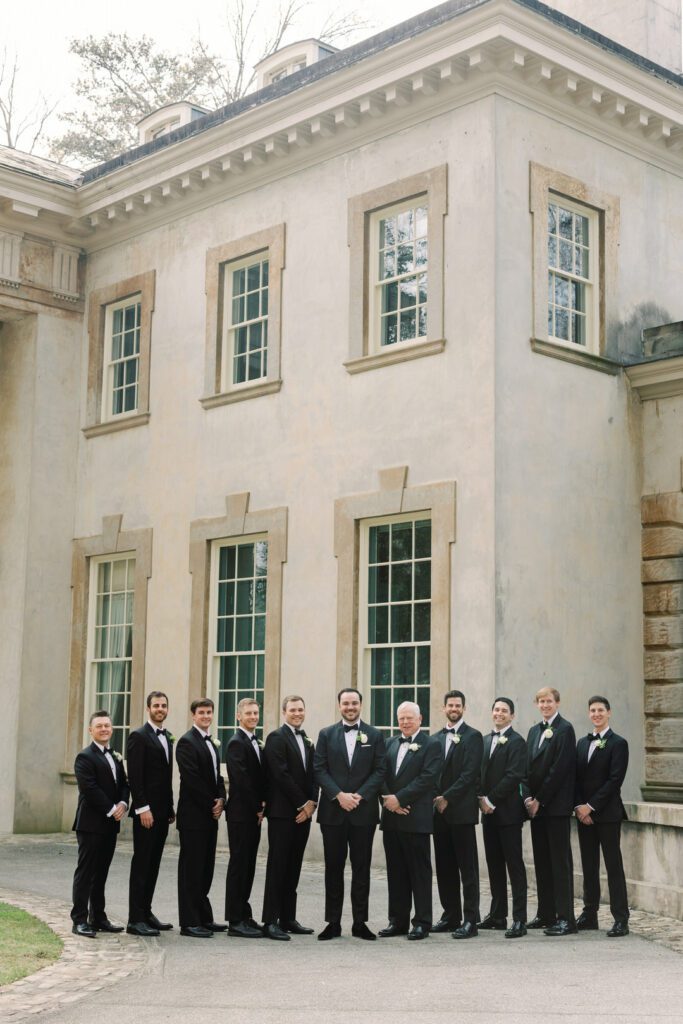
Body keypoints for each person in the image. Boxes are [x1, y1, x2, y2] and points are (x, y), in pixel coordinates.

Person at [314, 687, 386, 940]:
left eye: (354, 703)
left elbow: (380, 770)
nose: (350, 707)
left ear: (361, 705)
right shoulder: (325, 734)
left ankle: (359, 922)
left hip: (363, 812)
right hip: (333, 812)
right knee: (333, 868)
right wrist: (339, 795)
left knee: (362, 868)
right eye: (345, 703)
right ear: (339, 705)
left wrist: (359, 795)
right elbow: (319, 769)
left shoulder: (375, 735)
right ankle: (332, 922)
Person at [378, 701, 440, 940]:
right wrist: (388, 800)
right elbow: (380, 773)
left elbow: (428, 778)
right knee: (396, 872)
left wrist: (400, 799)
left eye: (409, 718)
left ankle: (422, 922)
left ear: (420, 719)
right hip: (392, 818)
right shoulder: (389, 743)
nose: (405, 722)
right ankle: (398, 921)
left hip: (416, 817)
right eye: (401, 718)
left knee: (419, 872)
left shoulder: (431, 745)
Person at [261, 695, 318, 940]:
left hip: (304, 815)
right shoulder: (276, 738)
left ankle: (288, 917)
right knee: (278, 866)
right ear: (284, 711)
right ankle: (270, 920)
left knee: (294, 865)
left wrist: (312, 804)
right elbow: (280, 774)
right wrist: (301, 803)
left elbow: (314, 773)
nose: (297, 713)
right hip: (283, 814)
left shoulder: (306, 739)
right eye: (293, 709)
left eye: (300, 709)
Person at [522, 686, 577, 935]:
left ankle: (566, 918)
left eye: (549, 701)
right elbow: (526, 768)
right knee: (542, 862)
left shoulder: (565, 730)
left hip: (555, 807)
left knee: (559, 863)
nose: (545, 705)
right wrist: (528, 798)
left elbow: (559, 769)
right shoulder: (534, 731)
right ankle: (545, 914)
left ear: (557, 703)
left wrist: (540, 800)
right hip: (536, 808)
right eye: (541, 701)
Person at [574, 695, 630, 937]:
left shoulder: (619, 743)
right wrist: (579, 807)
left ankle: (621, 919)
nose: (596, 714)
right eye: (592, 710)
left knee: (613, 866)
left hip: (607, 815)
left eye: (600, 710)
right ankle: (590, 914)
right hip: (583, 816)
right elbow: (574, 777)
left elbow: (614, 780)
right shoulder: (582, 743)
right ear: (589, 714)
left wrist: (591, 806)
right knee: (589, 865)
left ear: (609, 713)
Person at [71, 710, 129, 937]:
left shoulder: (115, 755)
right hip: (90, 824)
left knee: (101, 872)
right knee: (85, 873)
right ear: (91, 730)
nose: (104, 729)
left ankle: (98, 917)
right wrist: (112, 808)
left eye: (107, 725)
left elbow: (124, 783)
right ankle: (79, 920)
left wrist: (124, 802)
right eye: (99, 726)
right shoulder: (85, 757)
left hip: (110, 824)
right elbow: (89, 788)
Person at [432, 689, 483, 937]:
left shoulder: (473, 737)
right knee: (444, 868)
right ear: (444, 708)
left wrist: (447, 798)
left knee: (467, 868)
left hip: (461, 812)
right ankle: (450, 915)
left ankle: (470, 920)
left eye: (458, 705)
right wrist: (435, 798)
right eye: (450, 705)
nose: (454, 709)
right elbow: (431, 773)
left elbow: (469, 774)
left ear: (464, 708)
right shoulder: (436, 738)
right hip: (438, 814)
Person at [175, 698, 226, 938]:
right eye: (202, 712)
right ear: (193, 715)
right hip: (193, 816)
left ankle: (204, 917)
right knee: (191, 869)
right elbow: (192, 779)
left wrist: (221, 800)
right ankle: (189, 921)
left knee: (206, 868)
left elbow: (217, 775)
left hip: (210, 815)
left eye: (209, 712)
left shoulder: (211, 743)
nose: (206, 716)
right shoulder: (186, 742)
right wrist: (211, 803)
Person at [126, 690, 175, 936]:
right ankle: (135, 919)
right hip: (146, 813)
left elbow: (166, 778)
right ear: (148, 708)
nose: (160, 709)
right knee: (142, 863)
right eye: (156, 705)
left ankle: (146, 912)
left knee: (154, 864)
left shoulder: (167, 737)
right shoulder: (138, 736)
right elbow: (134, 776)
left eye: (164, 705)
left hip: (162, 812)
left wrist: (170, 808)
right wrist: (142, 807)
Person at [478, 697, 528, 938]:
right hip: (487, 814)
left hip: (508, 813)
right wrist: (480, 798)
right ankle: (498, 915)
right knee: (494, 865)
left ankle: (520, 919)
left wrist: (491, 800)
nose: (499, 713)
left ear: (512, 715)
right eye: (496, 709)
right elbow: (480, 774)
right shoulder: (486, 740)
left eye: (504, 710)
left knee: (514, 866)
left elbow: (513, 775)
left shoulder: (518, 742)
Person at [225, 698, 267, 938]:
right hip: (242, 814)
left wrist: (262, 806)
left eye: (255, 713)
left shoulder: (254, 742)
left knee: (249, 865)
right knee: (239, 866)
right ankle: (234, 920)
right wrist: (258, 807)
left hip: (253, 814)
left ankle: (244, 913)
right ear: (238, 716)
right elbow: (241, 780)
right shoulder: (236, 743)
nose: (253, 716)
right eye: (248, 713)